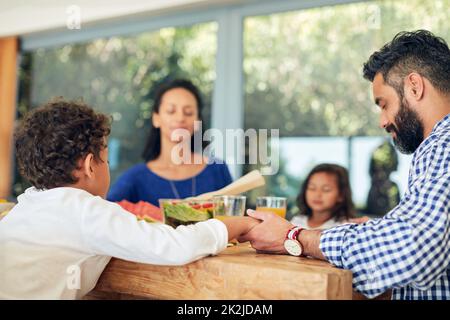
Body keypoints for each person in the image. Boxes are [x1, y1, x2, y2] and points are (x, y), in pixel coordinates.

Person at [239, 30, 450, 300]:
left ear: (414, 86)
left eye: (383, 104)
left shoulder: (443, 145)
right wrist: (380, 228)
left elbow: (416, 247)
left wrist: (295, 236)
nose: (382, 121)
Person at [0, 99, 259, 299]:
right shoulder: (85, 210)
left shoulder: (26, 206)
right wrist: (239, 224)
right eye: (108, 160)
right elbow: (175, 246)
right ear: (91, 166)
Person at [107, 79, 232, 206]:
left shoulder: (217, 170)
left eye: (188, 112)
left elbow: (236, 218)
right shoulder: (134, 179)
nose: (180, 118)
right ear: (156, 118)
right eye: (171, 111)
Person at [290, 163, 356, 230]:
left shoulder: (344, 227)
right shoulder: (297, 221)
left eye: (326, 190)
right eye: (312, 188)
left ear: (341, 195)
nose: (317, 194)